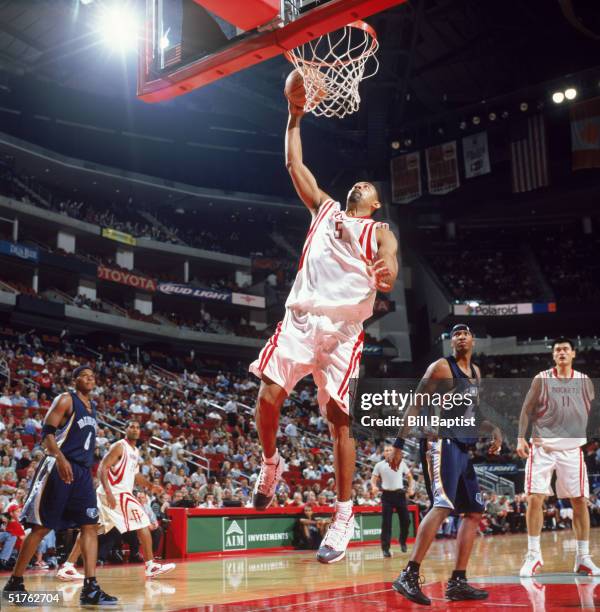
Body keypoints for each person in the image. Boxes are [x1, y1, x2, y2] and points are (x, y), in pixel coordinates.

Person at [248, 94, 398, 565]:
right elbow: (294, 163)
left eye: (369, 187)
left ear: (373, 204)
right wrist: (293, 115)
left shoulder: (379, 229)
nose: (362, 184)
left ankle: (343, 513)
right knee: (268, 395)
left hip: (343, 331)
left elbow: (390, 259)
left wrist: (386, 272)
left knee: (339, 419)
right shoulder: (325, 209)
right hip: (301, 318)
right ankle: (270, 466)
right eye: (360, 182)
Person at [390, 324, 502, 605]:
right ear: (451, 342)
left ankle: (458, 582)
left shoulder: (475, 374)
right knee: (442, 505)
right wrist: (399, 445)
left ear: (473, 340)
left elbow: (471, 415)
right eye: (455, 334)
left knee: (474, 511)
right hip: (441, 443)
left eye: (465, 333)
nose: (461, 336)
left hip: (463, 448)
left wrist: (494, 429)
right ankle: (409, 574)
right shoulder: (441, 368)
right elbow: (414, 405)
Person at [2, 365, 117, 605]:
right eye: (84, 376)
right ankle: (15, 583)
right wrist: (61, 459)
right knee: (42, 527)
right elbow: (46, 434)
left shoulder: (92, 407)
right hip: (59, 466)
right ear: (75, 380)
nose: (89, 379)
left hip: (83, 473)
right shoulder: (66, 399)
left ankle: (91, 588)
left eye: (92, 377)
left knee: (89, 525)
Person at [517, 337, 598, 576]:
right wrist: (521, 437)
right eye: (557, 350)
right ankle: (533, 555)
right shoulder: (541, 379)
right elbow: (526, 409)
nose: (561, 352)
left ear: (573, 353)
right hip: (542, 448)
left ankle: (583, 557)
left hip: (572, 450)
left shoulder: (585, 382)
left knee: (580, 501)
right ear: (553, 355)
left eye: (565, 349)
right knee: (534, 498)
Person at [57, 420, 175, 580]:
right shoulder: (119, 446)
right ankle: (150, 565)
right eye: (131, 425)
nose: (134, 428)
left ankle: (68, 566)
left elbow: (135, 475)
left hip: (116, 494)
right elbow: (102, 468)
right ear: (125, 429)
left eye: (137, 426)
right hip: (115, 493)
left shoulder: (135, 451)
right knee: (143, 522)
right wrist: (108, 492)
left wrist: (150, 486)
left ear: (140, 432)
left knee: (90, 529)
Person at [370, 444, 413, 557]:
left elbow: (410, 477)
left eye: (390, 450)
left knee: (406, 520)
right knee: (386, 523)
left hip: (400, 495)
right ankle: (385, 549)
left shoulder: (401, 463)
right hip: (387, 496)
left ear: (393, 452)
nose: (388, 452)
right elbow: (373, 479)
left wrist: (411, 487)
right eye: (386, 450)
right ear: (383, 453)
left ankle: (402, 540)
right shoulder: (379, 465)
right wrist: (374, 486)